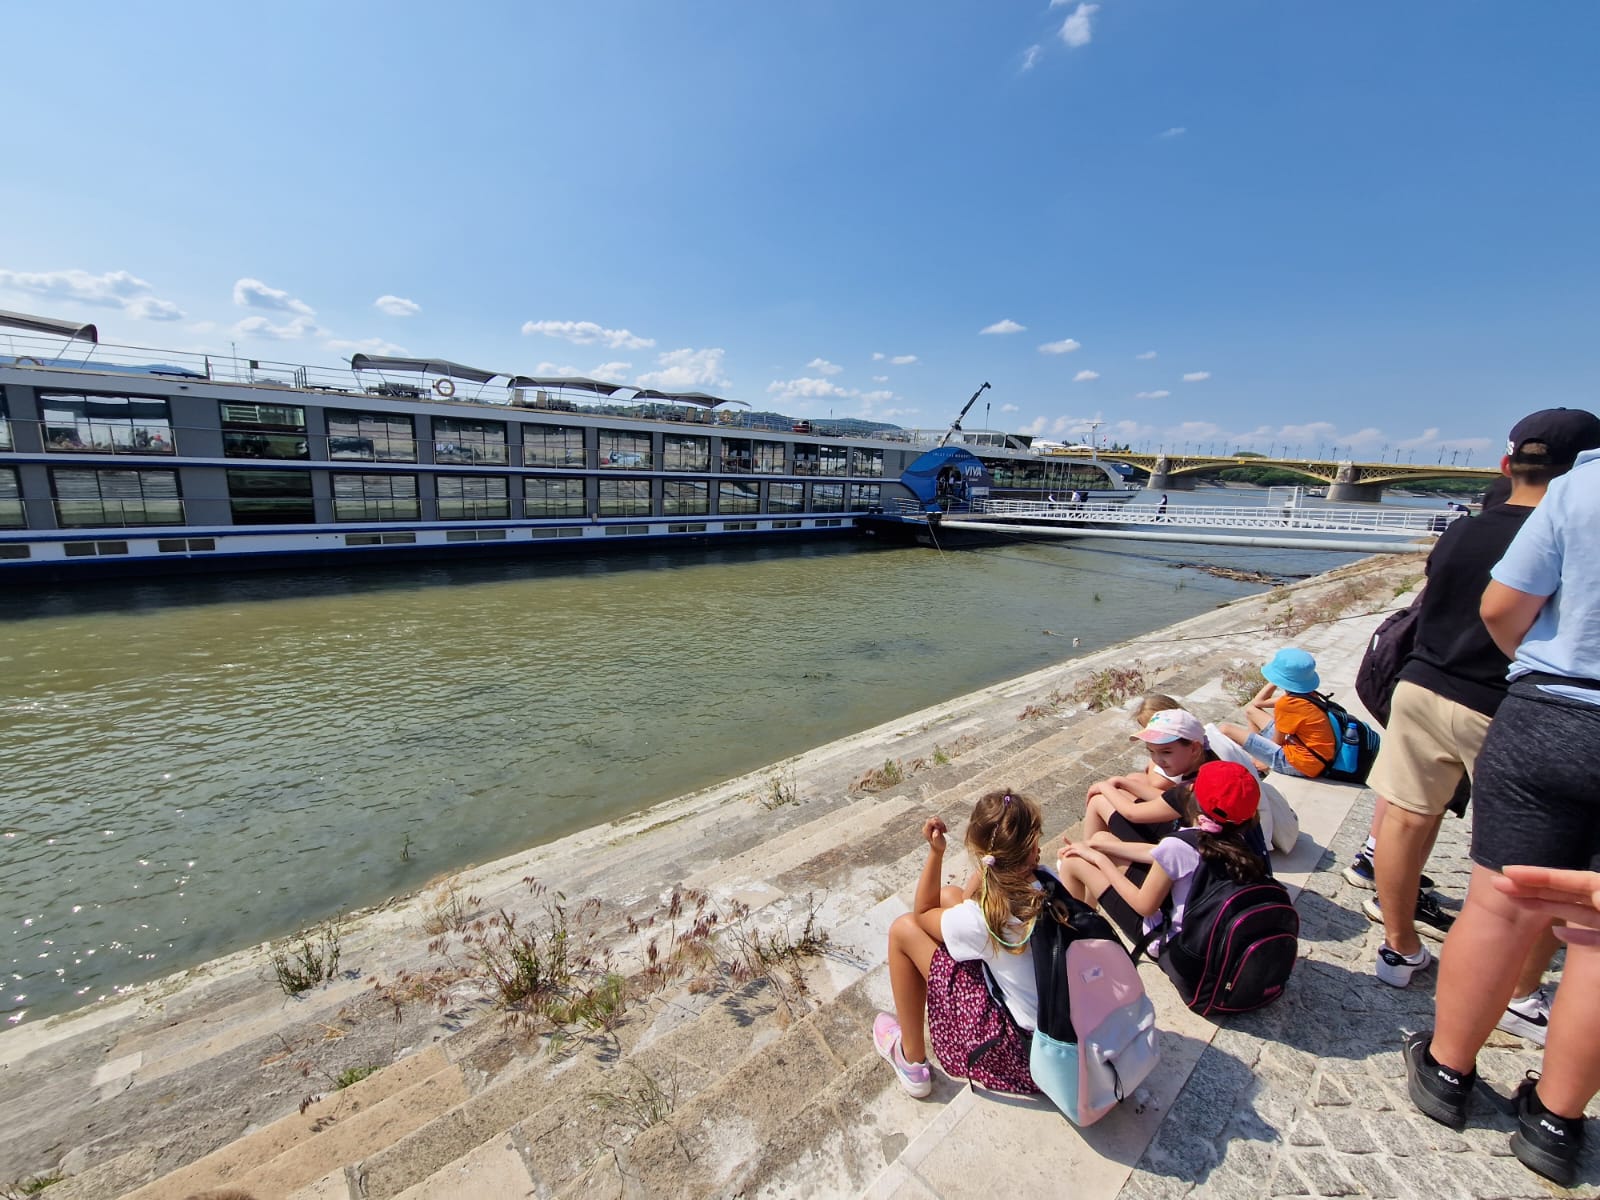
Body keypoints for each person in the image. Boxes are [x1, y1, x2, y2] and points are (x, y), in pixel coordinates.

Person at [1404, 436, 1600, 1186]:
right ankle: (1556, 1121)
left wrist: (1547, 667)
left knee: (1500, 902)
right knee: (1597, 937)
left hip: (1557, 709)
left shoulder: (1582, 488)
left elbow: (1503, 606)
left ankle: (1448, 1071)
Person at [1362, 409, 1600, 997]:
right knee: (1524, 861)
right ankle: (1518, 990)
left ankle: (1398, 946)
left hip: (1421, 686)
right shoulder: (1562, 528)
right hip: (1501, 703)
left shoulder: (1463, 529)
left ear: (1505, 464)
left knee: (1403, 820)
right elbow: (1507, 612)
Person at [873, 790, 1045, 1098]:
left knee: (903, 930)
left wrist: (936, 853)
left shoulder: (985, 918)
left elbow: (922, 912)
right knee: (951, 895)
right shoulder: (1048, 881)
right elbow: (964, 901)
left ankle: (911, 1061)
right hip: (1060, 1030)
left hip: (1027, 1058)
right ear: (1033, 846)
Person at [1056, 761, 1268, 953]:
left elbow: (1144, 906)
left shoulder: (1178, 845)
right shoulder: (1240, 839)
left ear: (1192, 796)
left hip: (1174, 944)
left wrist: (1101, 860)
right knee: (1101, 838)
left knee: (1072, 861)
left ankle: (1076, 942)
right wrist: (1099, 846)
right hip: (1212, 932)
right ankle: (1088, 914)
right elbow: (1162, 854)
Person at [1132, 694, 1297, 856]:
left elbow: (1156, 785)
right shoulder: (1208, 739)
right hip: (1255, 828)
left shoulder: (1195, 767)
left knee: (1131, 791)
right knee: (1134, 782)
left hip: (1237, 840)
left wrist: (1154, 753)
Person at [1218, 648, 1337, 779]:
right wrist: (1279, 679)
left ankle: (1253, 768)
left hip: (1302, 764)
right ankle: (1256, 763)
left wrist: (1265, 760)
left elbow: (1276, 742)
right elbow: (1258, 703)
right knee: (1251, 711)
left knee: (1225, 729)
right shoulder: (1309, 696)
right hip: (1315, 757)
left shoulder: (1287, 705)